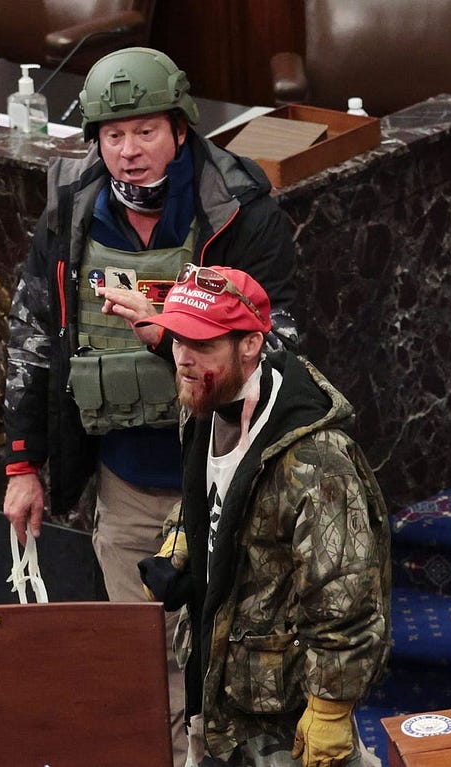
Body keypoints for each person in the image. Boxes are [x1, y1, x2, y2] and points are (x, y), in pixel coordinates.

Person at [2, 47, 298, 765]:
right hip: (129, 482)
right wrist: (23, 462)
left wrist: (170, 335)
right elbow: (34, 337)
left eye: (145, 132)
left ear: (180, 127)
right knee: (149, 661)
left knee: (236, 656)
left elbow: (277, 351)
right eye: (112, 135)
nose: (128, 152)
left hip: (227, 481)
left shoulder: (240, 210)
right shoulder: (73, 205)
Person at [135, 265, 391, 767]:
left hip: (283, 716)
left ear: (250, 345)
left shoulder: (316, 461)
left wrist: (331, 708)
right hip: (215, 688)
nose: (182, 358)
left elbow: (348, 594)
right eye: (178, 337)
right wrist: (181, 543)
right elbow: (206, 495)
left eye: (202, 344)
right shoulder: (204, 399)